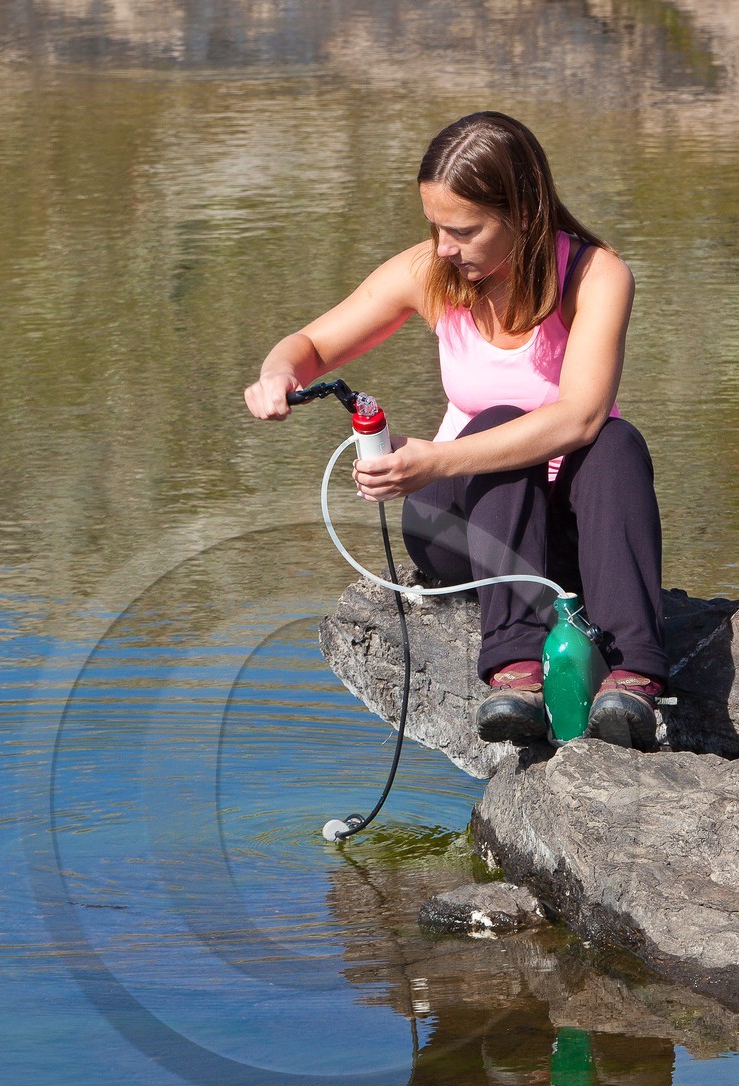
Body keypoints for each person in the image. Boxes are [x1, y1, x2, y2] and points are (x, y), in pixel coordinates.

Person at [244, 111, 668, 750]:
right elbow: (312, 345)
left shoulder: (595, 275)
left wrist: (436, 458)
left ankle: (633, 676)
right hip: (464, 521)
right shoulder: (431, 271)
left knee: (615, 440)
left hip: (567, 533)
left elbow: (581, 415)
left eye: (463, 231)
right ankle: (515, 670)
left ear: (523, 214)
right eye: (435, 227)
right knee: (498, 422)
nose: (444, 247)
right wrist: (278, 374)